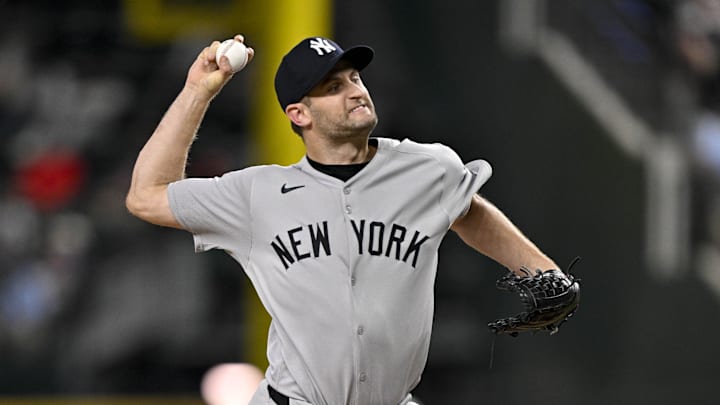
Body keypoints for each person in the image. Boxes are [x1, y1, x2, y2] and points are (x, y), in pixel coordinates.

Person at [126, 34, 563, 405]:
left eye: (355, 78)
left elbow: (467, 209)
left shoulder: (429, 168)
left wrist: (540, 269)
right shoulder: (255, 194)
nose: (356, 90)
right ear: (300, 114)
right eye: (334, 86)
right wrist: (197, 92)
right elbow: (146, 196)